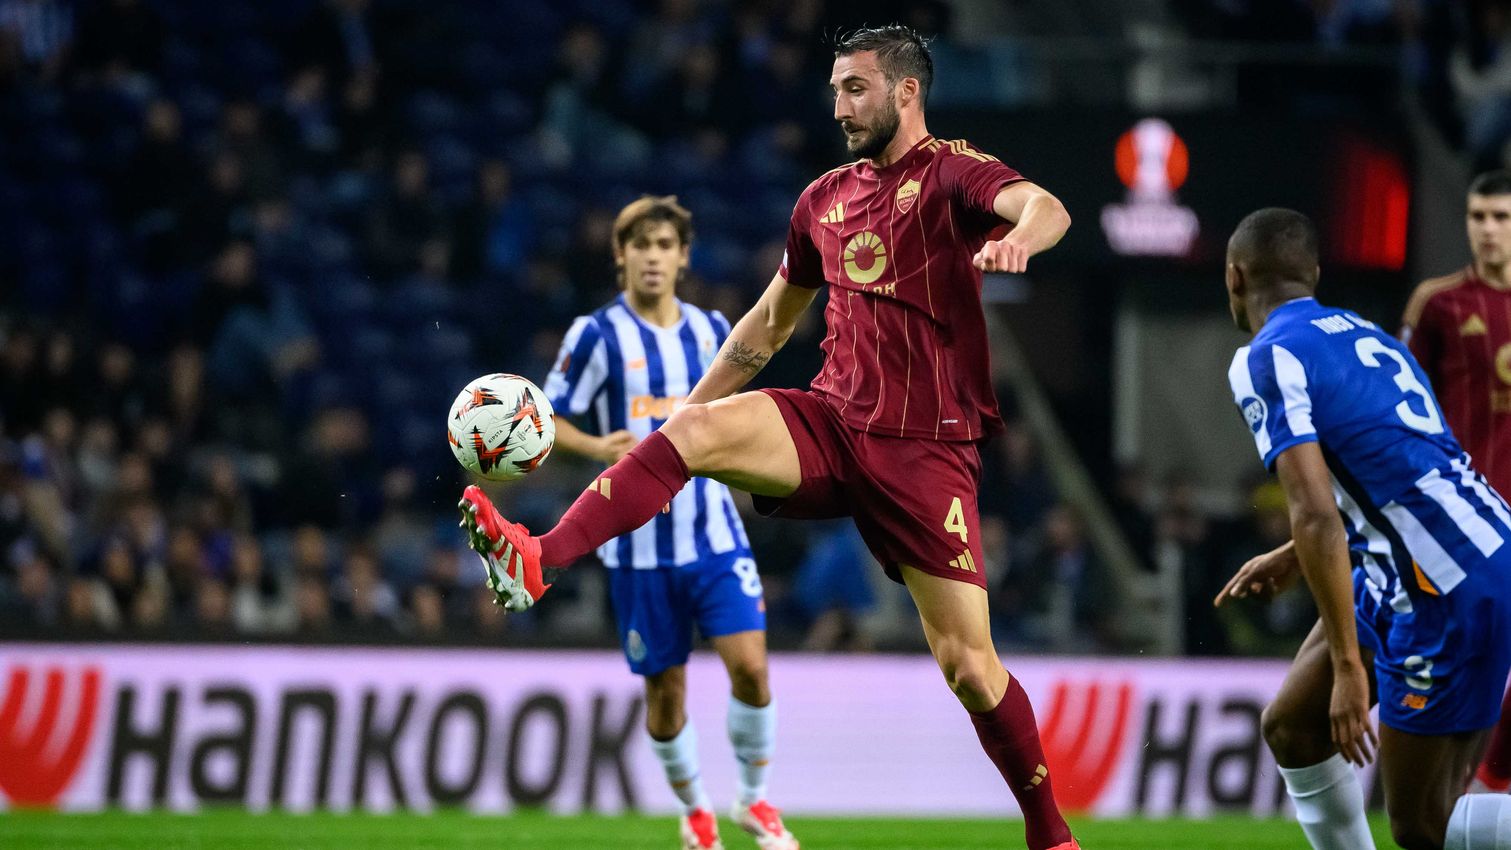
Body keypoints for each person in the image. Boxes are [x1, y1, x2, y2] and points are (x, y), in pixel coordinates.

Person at [459, 24, 1079, 850]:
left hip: (925, 449)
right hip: (830, 421)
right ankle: (538, 559)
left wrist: (1018, 240)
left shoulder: (952, 173)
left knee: (968, 666)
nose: (839, 107)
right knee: (696, 431)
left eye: (855, 89)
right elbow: (765, 327)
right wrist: (681, 419)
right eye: (834, 90)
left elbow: (1046, 206)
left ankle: (1049, 833)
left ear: (905, 92)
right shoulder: (822, 199)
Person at [1216, 208, 1511, 850]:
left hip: (1445, 584)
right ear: (1314, 274)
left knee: (1422, 823)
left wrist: (1350, 668)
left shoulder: (1264, 358)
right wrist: (1295, 552)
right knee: (1293, 728)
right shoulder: (1362, 332)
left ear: (1235, 277)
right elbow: (1403, 472)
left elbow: (1315, 511)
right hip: (1434, 556)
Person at [539, 195, 796, 850]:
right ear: (620, 255)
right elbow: (547, 416)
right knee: (665, 697)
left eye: (664, 246)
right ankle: (695, 811)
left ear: (683, 258)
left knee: (752, 669)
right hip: (637, 551)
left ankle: (754, 800)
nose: (652, 257)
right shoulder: (595, 334)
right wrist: (598, 447)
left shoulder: (712, 330)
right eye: (641, 245)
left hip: (712, 534)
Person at [1401, 170, 1511, 795]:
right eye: (1478, 216)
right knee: (1454, 661)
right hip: (1460, 523)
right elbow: (1397, 407)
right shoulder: (1438, 304)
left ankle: (1486, 783)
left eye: (1501, 217)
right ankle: (1453, 789)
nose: (1488, 230)